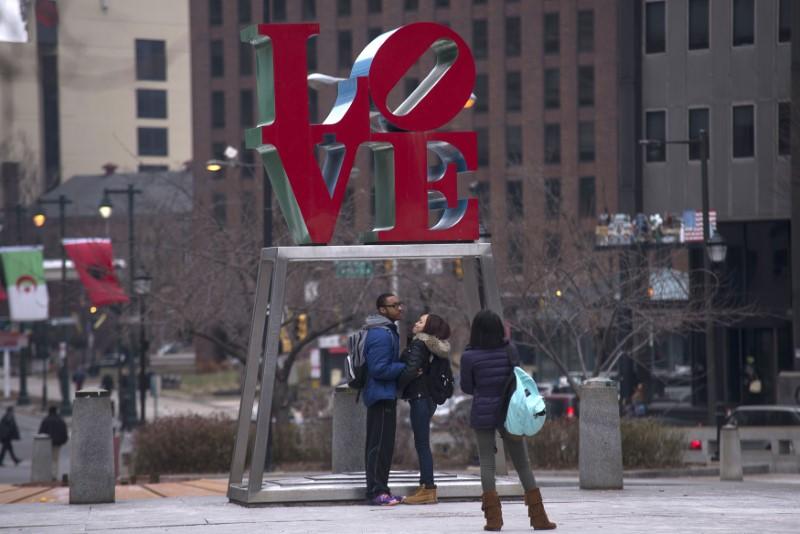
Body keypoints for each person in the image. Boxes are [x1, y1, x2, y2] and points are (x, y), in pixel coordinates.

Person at [460, 310, 556, 531]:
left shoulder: (468, 356)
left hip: (483, 411)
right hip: (510, 412)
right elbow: (517, 379)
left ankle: (493, 520)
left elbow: (467, 387)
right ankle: (539, 518)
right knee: (522, 463)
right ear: (498, 329)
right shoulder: (509, 350)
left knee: (486, 463)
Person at [397, 313, 451, 505]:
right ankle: (425, 487)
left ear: (428, 328)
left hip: (419, 397)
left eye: (420, 321)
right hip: (428, 398)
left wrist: (396, 384)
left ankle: (428, 488)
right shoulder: (433, 346)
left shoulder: (420, 344)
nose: (416, 323)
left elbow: (410, 370)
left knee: (422, 444)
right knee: (422, 443)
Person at [362, 292, 407, 506]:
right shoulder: (381, 334)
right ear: (382, 310)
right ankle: (376, 491)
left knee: (384, 445)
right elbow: (379, 369)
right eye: (394, 305)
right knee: (378, 446)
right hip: (380, 395)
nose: (400, 308)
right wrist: (404, 368)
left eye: (400, 304)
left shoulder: (387, 331)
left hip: (384, 394)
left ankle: (382, 489)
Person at [39, 406, 69, 480]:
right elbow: (64, 432)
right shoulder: (60, 420)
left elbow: (41, 432)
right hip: (57, 443)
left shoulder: (46, 420)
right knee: (55, 459)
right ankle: (54, 475)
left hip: (46, 442)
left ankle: (46, 474)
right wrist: (63, 441)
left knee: (47, 459)